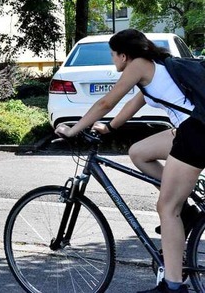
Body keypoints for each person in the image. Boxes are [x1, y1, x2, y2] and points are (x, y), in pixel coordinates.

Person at [55, 29, 203, 293]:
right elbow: (131, 105)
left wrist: (74, 129)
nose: (113, 61)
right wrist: (109, 128)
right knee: (139, 152)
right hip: (190, 129)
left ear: (124, 55)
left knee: (167, 208)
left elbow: (106, 102)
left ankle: (173, 286)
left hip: (195, 133)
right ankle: (187, 211)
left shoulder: (137, 65)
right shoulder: (153, 66)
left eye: (113, 55)